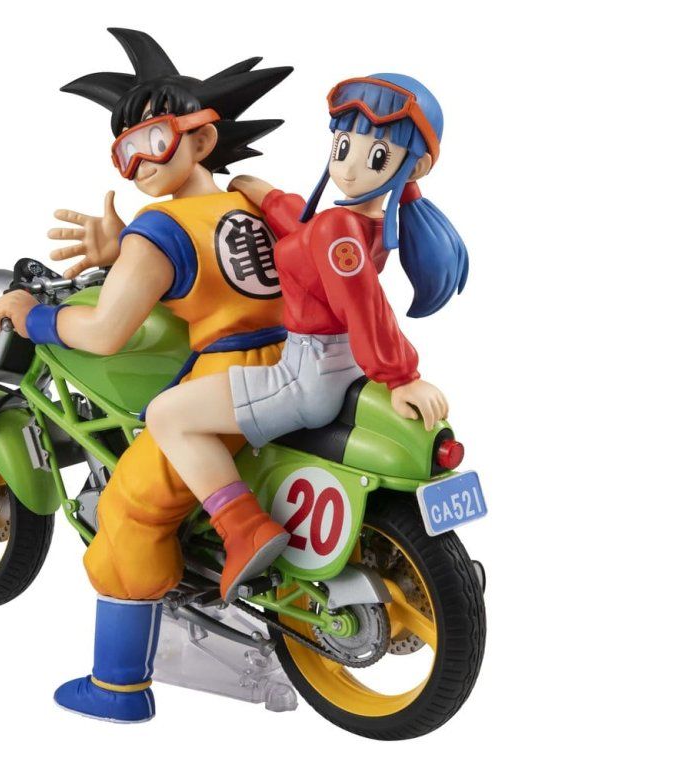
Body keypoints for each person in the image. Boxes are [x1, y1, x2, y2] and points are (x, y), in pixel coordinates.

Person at [0, 28, 292, 723]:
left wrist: (35, 316)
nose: (138, 166)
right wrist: (119, 252)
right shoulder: (251, 201)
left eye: (152, 141)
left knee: (128, 512)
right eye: (122, 152)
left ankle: (119, 687)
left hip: (230, 375)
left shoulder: (161, 229)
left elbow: (105, 332)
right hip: (296, 362)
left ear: (201, 138)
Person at [147, 74, 469, 600]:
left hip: (305, 375)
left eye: (376, 155)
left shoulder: (337, 230)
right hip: (342, 369)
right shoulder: (361, 223)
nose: (349, 166)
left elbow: (364, 303)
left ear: (414, 167)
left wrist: (402, 375)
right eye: (342, 146)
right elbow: (308, 236)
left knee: (165, 414)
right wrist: (270, 197)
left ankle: (242, 529)